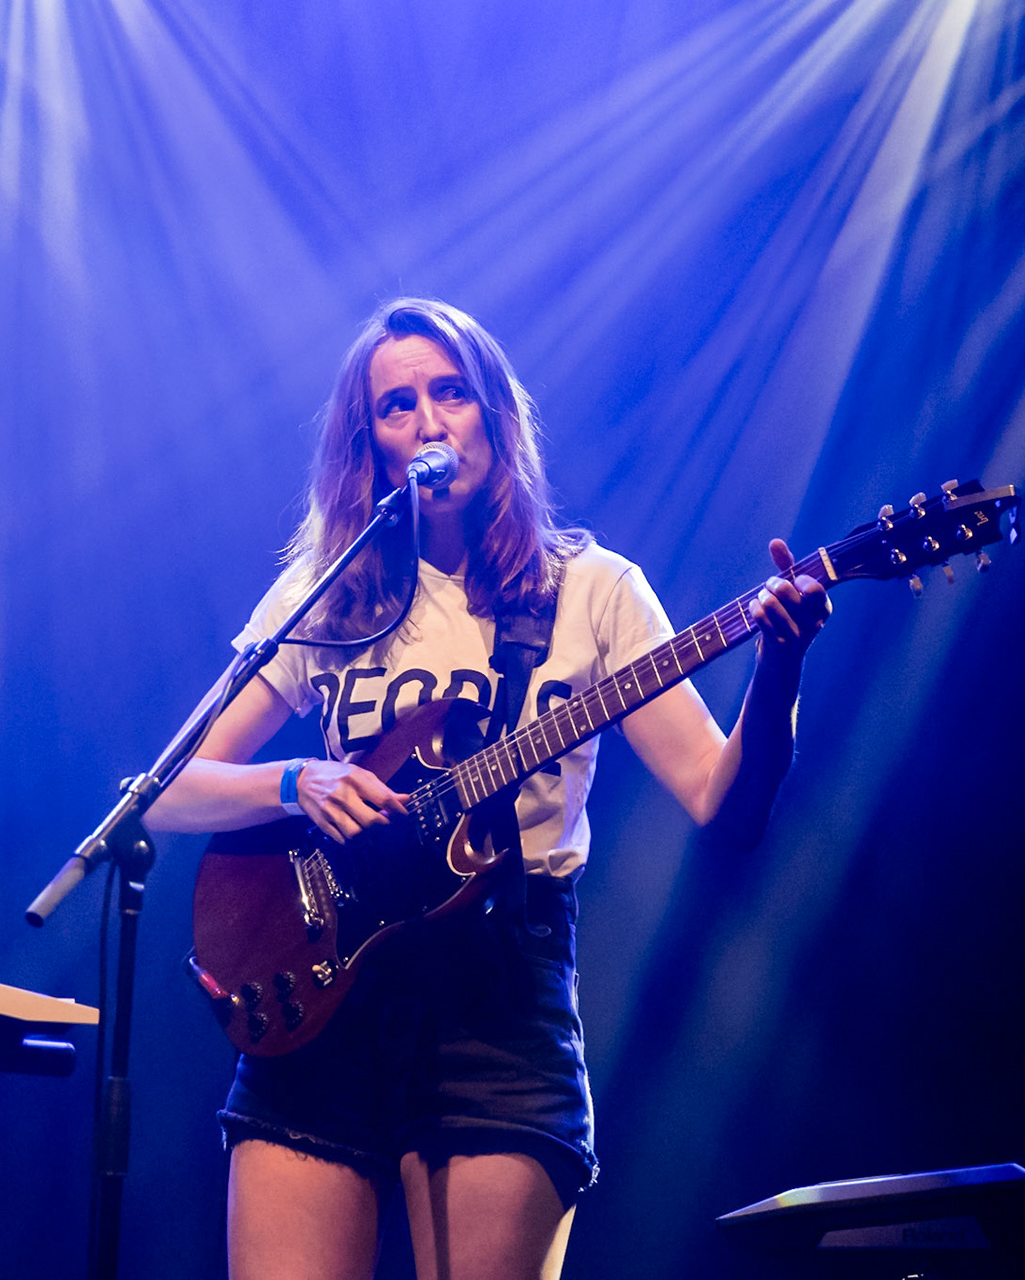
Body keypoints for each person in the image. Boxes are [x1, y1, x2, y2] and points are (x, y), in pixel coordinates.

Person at [143, 298, 829, 1280]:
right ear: (370, 446)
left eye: (451, 392)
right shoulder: (325, 591)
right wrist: (295, 778)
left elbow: (727, 801)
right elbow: (167, 787)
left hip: (499, 998)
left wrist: (781, 667)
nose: (427, 419)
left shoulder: (592, 587)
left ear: (494, 415)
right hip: (324, 991)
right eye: (397, 405)